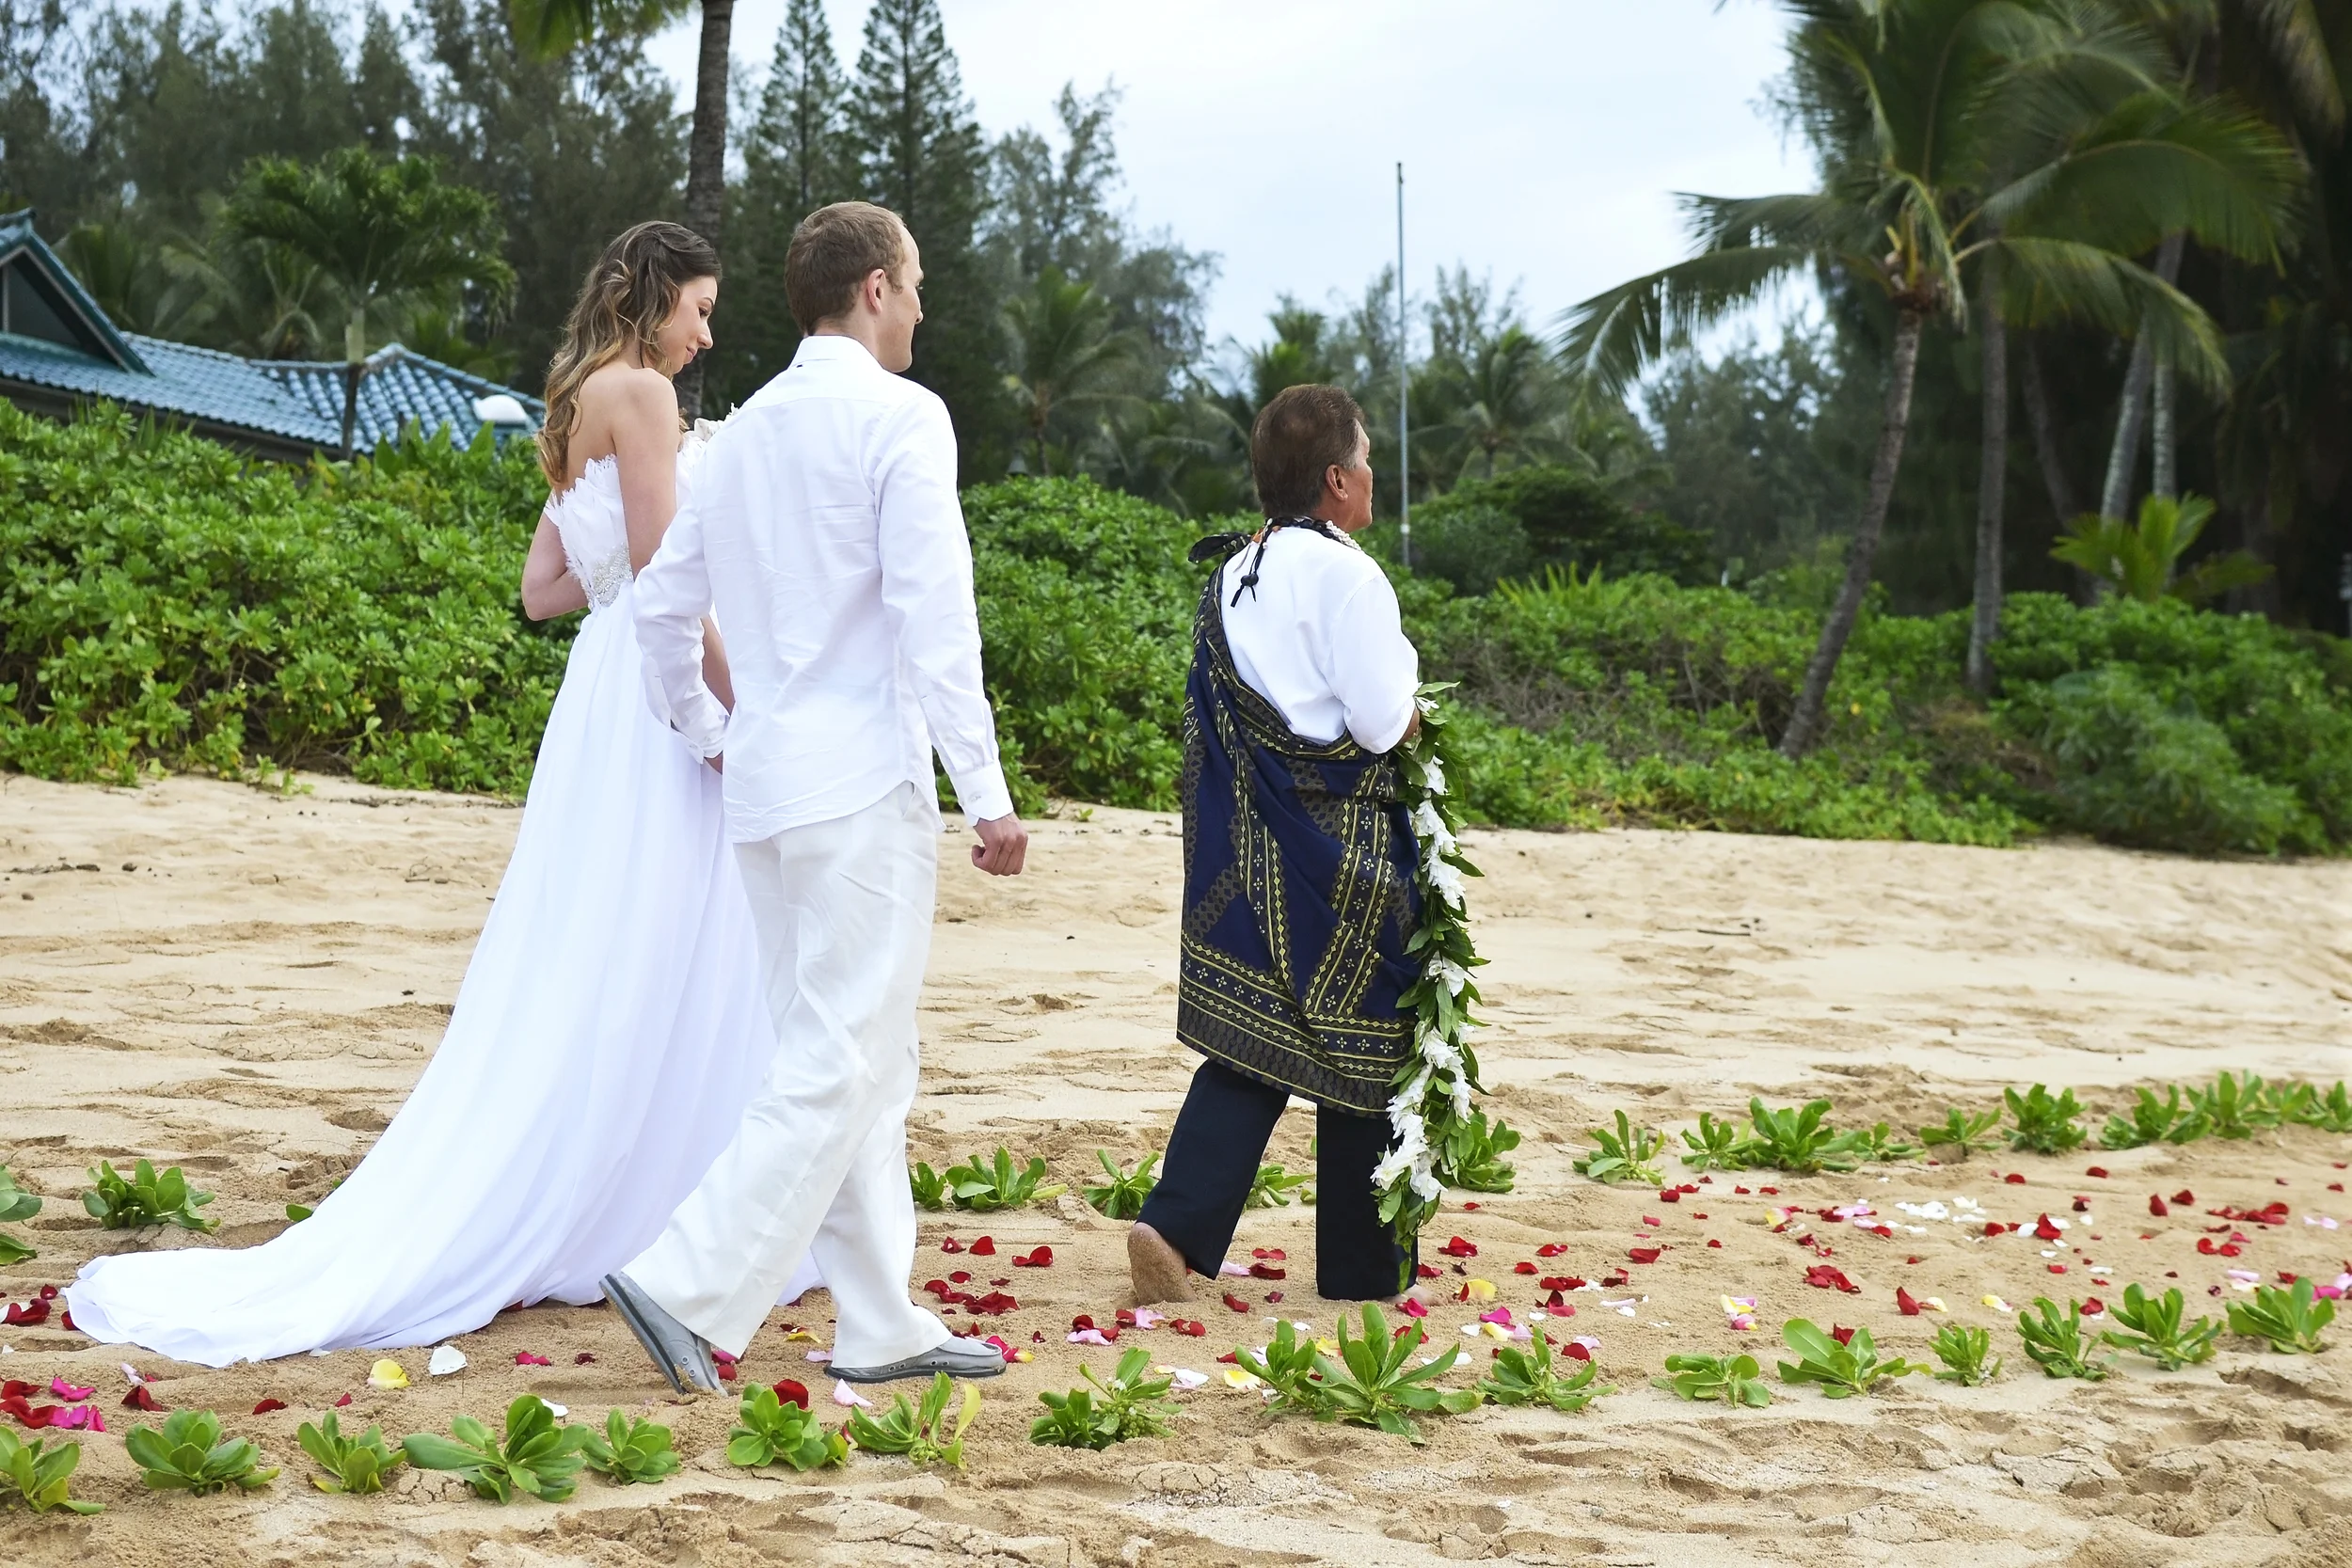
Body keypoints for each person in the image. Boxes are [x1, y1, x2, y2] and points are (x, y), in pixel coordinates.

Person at [66, 220, 820, 1365]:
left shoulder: (573, 401)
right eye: (699, 309)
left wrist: (619, 586)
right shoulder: (647, 398)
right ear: (654, 297)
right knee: (673, 941)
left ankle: (619, 1180)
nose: (706, 332)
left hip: (598, 702)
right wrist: (746, 704)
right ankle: (657, 1203)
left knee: (602, 939)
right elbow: (672, 578)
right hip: (662, 700)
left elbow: (543, 588)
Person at [601, 200, 1027, 1395]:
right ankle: (686, 1279)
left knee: (857, 1058)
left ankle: (881, 1319)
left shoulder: (737, 438)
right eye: (918, 281)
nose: (925, 306)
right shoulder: (903, 416)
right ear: (877, 289)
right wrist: (985, 793)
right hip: (857, 793)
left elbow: (660, 601)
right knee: (842, 1055)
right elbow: (937, 622)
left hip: (770, 798)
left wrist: (703, 726)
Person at [1128, 384, 1423, 1307]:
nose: (1373, 473)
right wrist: (1418, 715)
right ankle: (1362, 1266)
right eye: (1366, 458)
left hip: (1252, 839)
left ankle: (1175, 1226)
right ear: (1336, 479)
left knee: (1264, 1035)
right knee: (1371, 1035)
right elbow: (1378, 724)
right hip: (1345, 842)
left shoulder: (1236, 569)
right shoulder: (1348, 574)